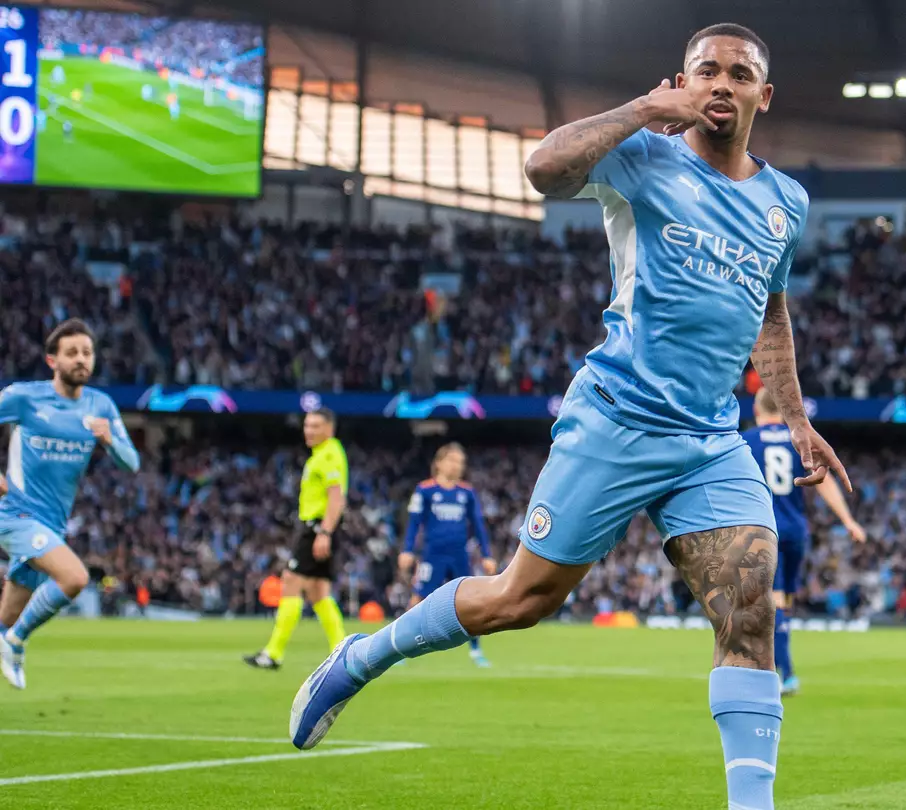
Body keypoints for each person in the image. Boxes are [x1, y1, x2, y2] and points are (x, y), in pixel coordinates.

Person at [290, 23, 846, 810]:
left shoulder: (785, 201)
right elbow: (541, 167)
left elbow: (773, 313)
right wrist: (642, 108)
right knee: (520, 601)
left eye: (739, 74)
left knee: (748, 612)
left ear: (765, 94)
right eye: (705, 72)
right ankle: (361, 657)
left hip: (712, 440)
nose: (721, 84)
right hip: (617, 419)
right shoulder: (645, 154)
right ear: (682, 81)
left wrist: (791, 418)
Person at [0, 319, 140, 689]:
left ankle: (8, 635)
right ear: (52, 360)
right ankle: (14, 644)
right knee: (75, 577)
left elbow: (132, 463)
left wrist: (109, 439)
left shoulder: (101, 405)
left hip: (52, 524)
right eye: (72, 353)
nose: (81, 359)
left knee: (7, 616)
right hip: (13, 513)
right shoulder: (25, 397)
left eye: (87, 352)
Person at [742, 387, 865, 695]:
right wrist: (847, 520)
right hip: (796, 529)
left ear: (757, 412)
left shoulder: (746, 442)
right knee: (784, 601)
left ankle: (785, 673)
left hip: (764, 528)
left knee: (774, 601)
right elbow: (824, 482)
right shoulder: (797, 442)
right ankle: (779, 666)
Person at [244, 409, 348, 670]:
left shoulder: (328, 454)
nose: (309, 431)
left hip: (316, 528)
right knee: (318, 591)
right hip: (318, 528)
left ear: (329, 428)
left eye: (315, 426)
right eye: (306, 425)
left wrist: (324, 532)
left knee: (290, 582)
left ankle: (273, 653)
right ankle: (343, 649)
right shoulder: (324, 453)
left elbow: (336, 498)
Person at [399, 443, 497, 667]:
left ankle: (475, 650)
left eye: (460, 462)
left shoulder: (466, 492)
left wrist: (486, 554)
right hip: (432, 555)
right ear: (439, 463)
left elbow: (478, 525)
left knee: (471, 601)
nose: (457, 465)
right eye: (452, 460)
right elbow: (414, 524)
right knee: (417, 599)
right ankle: (399, 649)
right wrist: (407, 550)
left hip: (459, 555)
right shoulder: (425, 490)